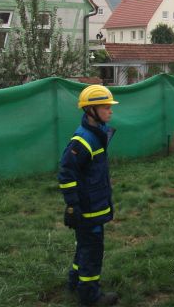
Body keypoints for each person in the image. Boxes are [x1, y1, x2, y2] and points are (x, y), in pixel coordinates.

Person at [58, 85, 119, 306]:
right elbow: (66, 173)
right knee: (92, 251)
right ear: (91, 110)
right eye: (105, 107)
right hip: (88, 209)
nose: (110, 110)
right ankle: (90, 296)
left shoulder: (97, 134)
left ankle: (75, 281)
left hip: (95, 206)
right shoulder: (83, 140)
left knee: (84, 247)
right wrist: (73, 206)